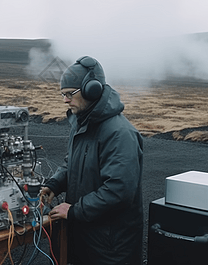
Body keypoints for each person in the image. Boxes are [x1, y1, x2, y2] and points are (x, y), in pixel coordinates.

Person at [41, 56, 143, 265]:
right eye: (63, 94)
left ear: (92, 90)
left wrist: (75, 210)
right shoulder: (82, 124)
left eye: (70, 94)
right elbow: (73, 163)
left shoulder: (119, 133)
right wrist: (55, 184)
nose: (65, 100)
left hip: (110, 248)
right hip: (86, 238)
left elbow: (118, 191)